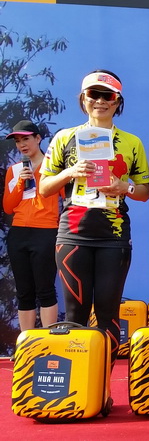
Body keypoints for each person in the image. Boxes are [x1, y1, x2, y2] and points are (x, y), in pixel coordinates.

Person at [39, 70, 149, 367]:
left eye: (107, 95)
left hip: (114, 236)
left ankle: (103, 385)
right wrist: (69, 172)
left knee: (108, 313)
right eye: (93, 94)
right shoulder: (64, 137)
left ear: (117, 102)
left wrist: (123, 187)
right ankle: (78, 383)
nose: (100, 101)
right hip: (73, 234)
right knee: (75, 315)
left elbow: (144, 191)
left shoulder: (131, 143)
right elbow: (44, 188)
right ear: (83, 99)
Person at [3, 120, 61, 332]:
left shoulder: (53, 167)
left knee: (45, 290)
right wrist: (20, 182)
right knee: (24, 292)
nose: (22, 145)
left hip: (46, 232)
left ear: (38, 138)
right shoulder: (15, 170)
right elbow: (8, 207)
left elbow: (66, 197)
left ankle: (50, 341)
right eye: (18, 141)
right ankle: (26, 342)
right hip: (19, 233)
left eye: (26, 139)